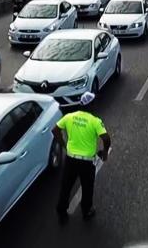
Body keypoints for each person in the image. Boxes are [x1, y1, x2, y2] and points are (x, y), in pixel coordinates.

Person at [53, 92, 111, 223]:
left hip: (71, 159)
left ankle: (61, 210)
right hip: (87, 162)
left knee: (66, 185)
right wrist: (105, 151)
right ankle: (86, 211)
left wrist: (63, 144)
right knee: (87, 186)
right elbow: (106, 138)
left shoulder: (69, 117)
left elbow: (55, 130)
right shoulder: (95, 121)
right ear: (91, 105)